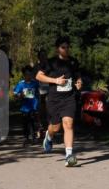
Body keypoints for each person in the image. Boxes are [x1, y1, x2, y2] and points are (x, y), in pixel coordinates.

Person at [36, 36, 82, 166]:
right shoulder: (51, 62)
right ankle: (48, 136)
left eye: (68, 47)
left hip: (69, 98)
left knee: (68, 124)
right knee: (55, 128)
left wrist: (79, 82)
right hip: (54, 99)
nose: (66, 49)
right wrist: (55, 80)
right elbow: (38, 76)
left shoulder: (73, 62)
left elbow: (77, 76)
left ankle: (69, 156)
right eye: (63, 47)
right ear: (57, 49)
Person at [13, 66, 40, 145]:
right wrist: (20, 95)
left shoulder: (35, 83)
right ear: (24, 75)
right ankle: (26, 138)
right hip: (24, 107)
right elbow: (15, 94)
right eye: (26, 74)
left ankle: (33, 137)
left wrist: (38, 103)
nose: (28, 76)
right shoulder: (21, 84)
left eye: (30, 74)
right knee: (25, 123)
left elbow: (38, 93)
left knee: (32, 122)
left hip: (33, 106)